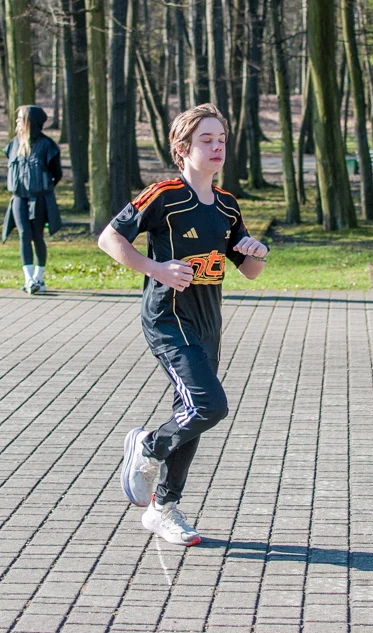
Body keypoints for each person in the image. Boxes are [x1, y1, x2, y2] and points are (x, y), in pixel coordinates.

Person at [98, 103, 269, 546]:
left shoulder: (228, 205)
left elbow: (248, 272)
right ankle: (149, 446)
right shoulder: (163, 196)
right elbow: (109, 237)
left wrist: (256, 252)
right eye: (206, 140)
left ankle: (162, 509)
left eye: (222, 140)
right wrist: (155, 268)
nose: (217, 148)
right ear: (182, 148)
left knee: (191, 410)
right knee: (209, 406)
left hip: (208, 321)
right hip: (167, 318)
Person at [2, 105, 62, 294]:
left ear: (31, 122)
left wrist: (43, 187)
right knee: (23, 234)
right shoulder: (14, 145)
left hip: (40, 199)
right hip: (19, 197)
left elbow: (57, 173)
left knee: (37, 236)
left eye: (21, 118)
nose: (17, 121)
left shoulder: (47, 146)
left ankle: (39, 278)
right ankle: (29, 279)